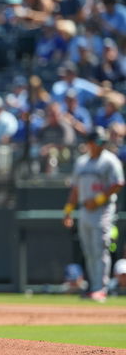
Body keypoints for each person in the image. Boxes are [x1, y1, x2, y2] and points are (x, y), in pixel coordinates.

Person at [63, 127, 125, 303]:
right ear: (89, 143)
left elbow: (118, 183)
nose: (100, 145)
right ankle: (93, 287)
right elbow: (75, 189)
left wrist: (98, 200)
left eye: (102, 142)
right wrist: (68, 211)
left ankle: (100, 289)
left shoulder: (110, 160)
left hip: (102, 210)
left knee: (100, 248)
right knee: (88, 251)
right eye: (97, 141)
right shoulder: (81, 162)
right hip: (84, 210)